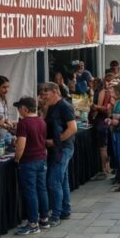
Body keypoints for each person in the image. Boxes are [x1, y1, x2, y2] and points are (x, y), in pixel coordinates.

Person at [40, 82, 77, 224]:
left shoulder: (64, 106)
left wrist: (56, 141)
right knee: (62, 180)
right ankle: (65, 210)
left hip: (62, 149)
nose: (44, 96)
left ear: (54, 91)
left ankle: (56, 215)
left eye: (46, 93)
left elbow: (72, 128)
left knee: (54, 181)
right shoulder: (52, 106)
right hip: (58, 148)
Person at [13, 96, 50, 235]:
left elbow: (21, 144)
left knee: (30, 191)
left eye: (19, 108)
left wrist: (17, 158)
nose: (18, 111)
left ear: (24, 109)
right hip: (41, 158)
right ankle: (44, 219)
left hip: (29, 161)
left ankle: (33, 223)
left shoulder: (24, 123)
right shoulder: (41, 121)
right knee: (42, 189)